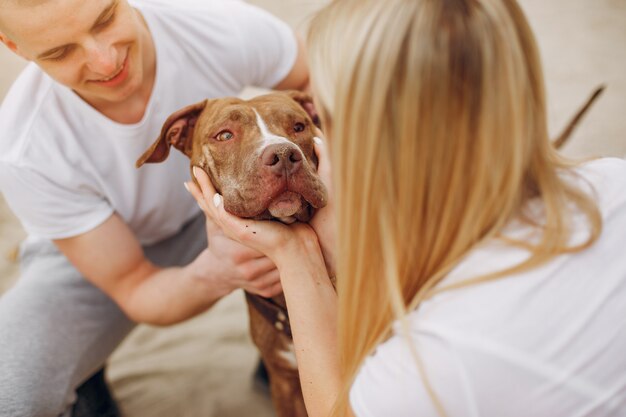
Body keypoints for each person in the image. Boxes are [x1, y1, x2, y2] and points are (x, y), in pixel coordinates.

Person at [188, 0, 626, 416]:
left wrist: (296, 256)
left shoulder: (431, 361)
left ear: (382, 136)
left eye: (325, 120)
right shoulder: (614, 179)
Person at [0, 0, 309, 415]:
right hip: (96, 255)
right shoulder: (24, 147)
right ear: (15, 47)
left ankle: (284, 342)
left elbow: (326, 89)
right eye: (61, 52)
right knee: (11, 394)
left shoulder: (212, 23)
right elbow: (134, 286)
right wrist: (219, 272)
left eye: (106, 19)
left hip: (235, 203)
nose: (104, 61)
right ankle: (86, 374)